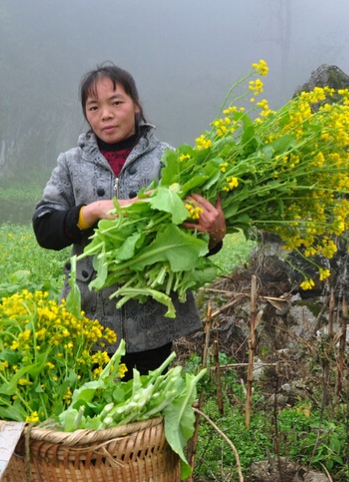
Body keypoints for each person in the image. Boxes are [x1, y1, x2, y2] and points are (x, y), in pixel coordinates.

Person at [33, 62, 226, 378]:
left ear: (136, 105)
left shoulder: (168, 160)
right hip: (88, 318)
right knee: (94, 419)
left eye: (116, 103)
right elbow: (44, 228)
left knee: (147, 419)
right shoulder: (70, 164)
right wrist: (92, 211)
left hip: (151, 325)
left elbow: (191, 242)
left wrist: (215, 235)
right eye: (93, 107)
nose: (105, 115)